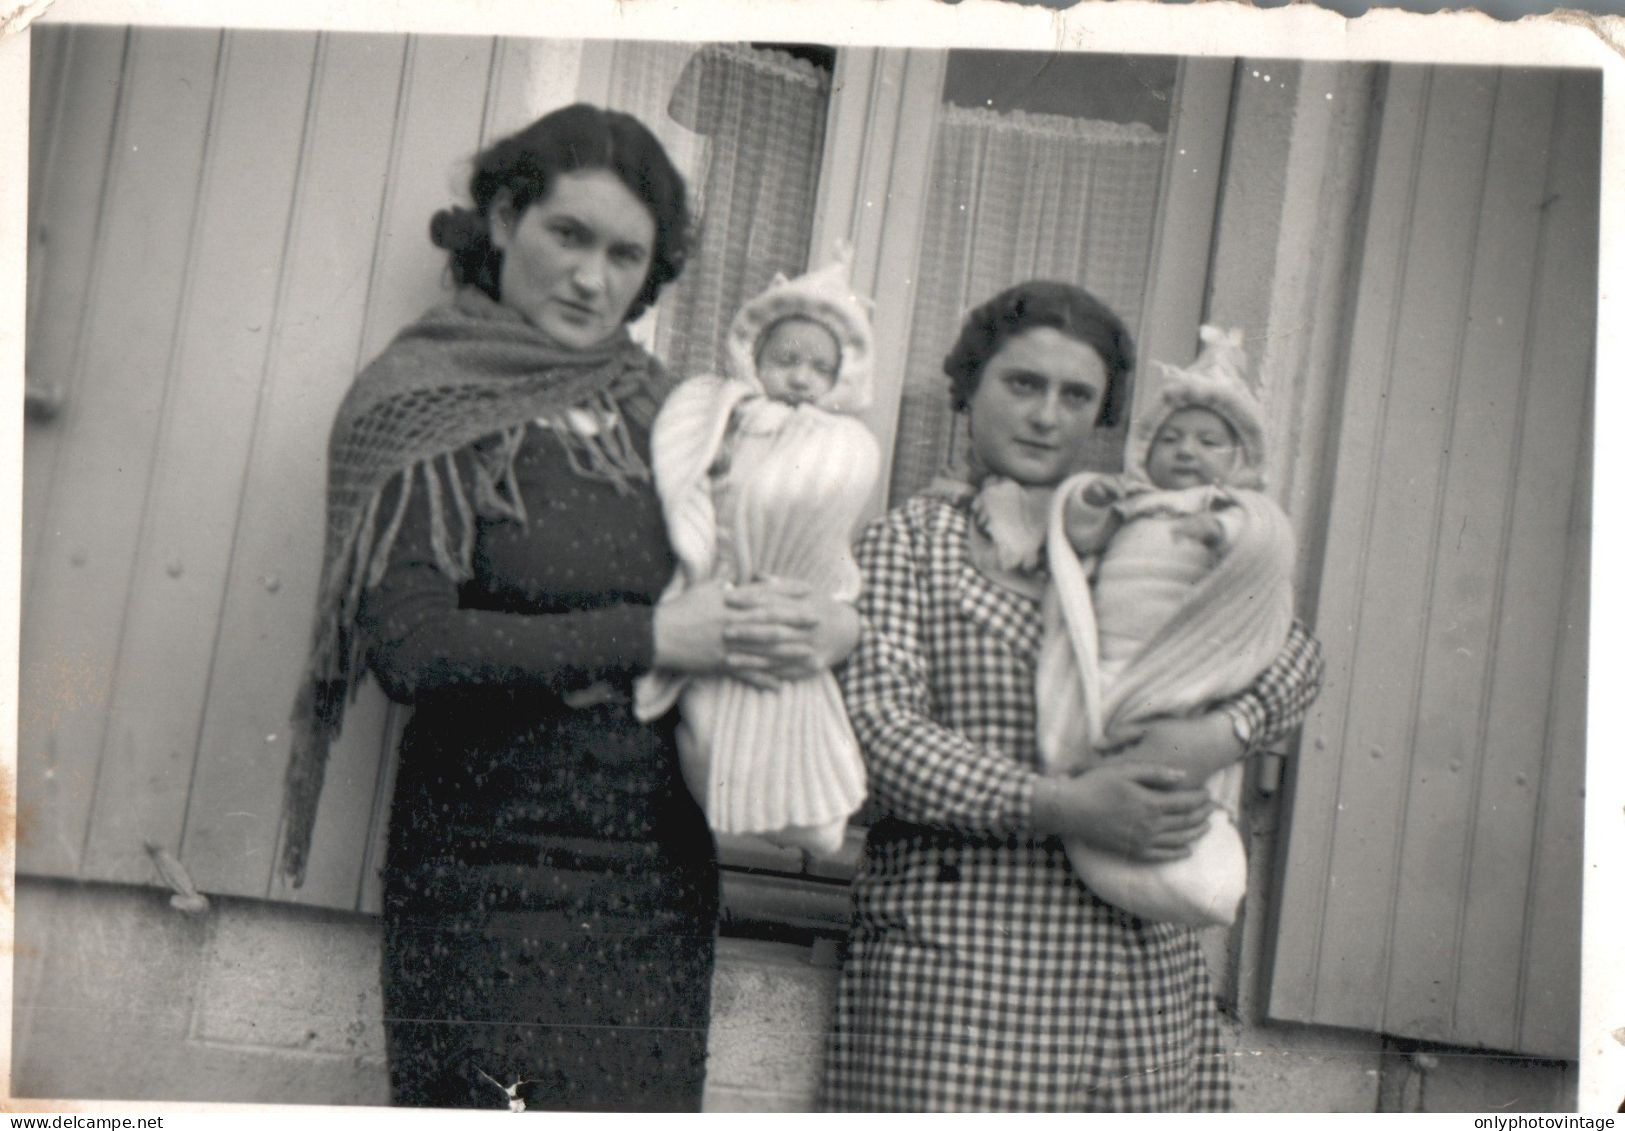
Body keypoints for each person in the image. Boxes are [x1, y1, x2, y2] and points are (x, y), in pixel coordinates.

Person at [279, 103, 857, 1112]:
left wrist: (830, 625)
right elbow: (411, 649)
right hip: (486, 868)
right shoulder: (422, 400)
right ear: (502, 221)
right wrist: (653, 636)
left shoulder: (673, 413)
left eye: (626, 253)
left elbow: (771, 562)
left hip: (654, 865)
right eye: (568, 235)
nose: (594, 278)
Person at [820, 281, 1323, 1112]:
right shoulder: (909, 544)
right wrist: (1061, 802)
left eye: (1075, 395)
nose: (1046, 416)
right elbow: (880, 735)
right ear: (968, 388)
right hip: (956, 974)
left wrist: (1223, 730)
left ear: (1103, 415)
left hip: (1136, 983)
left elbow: (1289, 644)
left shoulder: (1139, 529)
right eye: (1022, 384)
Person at [1037, 324, 1297, 928]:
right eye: (1171, 438)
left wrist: (1225, 537)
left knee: (1166, 743)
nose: (1186, 451)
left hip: (1180, 660)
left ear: (1240, 461)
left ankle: (1187, 843)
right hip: (1115, 657)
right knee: (1104, 732)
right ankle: (1105, 813)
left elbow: (1260, 559)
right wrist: (1090, 506)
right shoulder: (1135, 504)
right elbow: (1078, 542)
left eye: (1210, 442)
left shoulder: (1228, 510)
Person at [635, 248, 880, 857]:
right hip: (716, 586)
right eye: (786, 359)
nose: (800, 377)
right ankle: (734, 803)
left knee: (793, 714)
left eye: (819, 367)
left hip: (787, 591)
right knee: (709, 722)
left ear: (842, 376)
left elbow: (823, 516)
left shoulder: (840, 441)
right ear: (755, 356)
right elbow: (693, 470)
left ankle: (803, 816)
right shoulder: (728, 414)